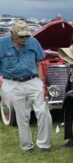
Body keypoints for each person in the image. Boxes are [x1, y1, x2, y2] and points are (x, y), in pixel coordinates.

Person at [0, 20, 52, 153]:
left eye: (26, 36)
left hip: (32, 80)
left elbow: (38, 62)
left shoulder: (33, 42)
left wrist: (41, 82)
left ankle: (44, 145)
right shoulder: (1, 44)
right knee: (22, 116)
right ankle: (27, 146)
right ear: (12, 33)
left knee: (43, 112)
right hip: (11, 82)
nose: (25, 39)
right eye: (21, 36)